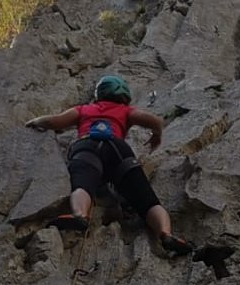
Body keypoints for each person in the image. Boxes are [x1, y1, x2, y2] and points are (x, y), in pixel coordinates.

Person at [25, 74, 193, 256]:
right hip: (117, 150)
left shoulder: (84, 109)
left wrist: (34, 122)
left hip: (87, 146)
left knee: (83, 184)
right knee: (147, 200)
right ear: (124, 95)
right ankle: (165, 233)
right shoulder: (125, 110)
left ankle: (81, 215)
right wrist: (157, 135)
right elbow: (155, 121)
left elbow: (53, 122)